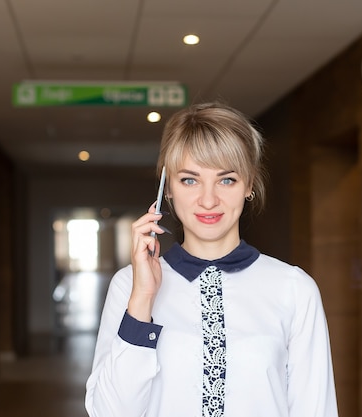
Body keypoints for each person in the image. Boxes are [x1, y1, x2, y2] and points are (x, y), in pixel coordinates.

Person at [85, 102, 339, 417]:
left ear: (248, 185)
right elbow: (109, 413)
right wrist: (142, 300)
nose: (208, 200)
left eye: (226, 179)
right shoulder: (129, 285)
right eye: (190, 180)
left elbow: (315, 409)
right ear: (168, 190)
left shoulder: (295, 289)